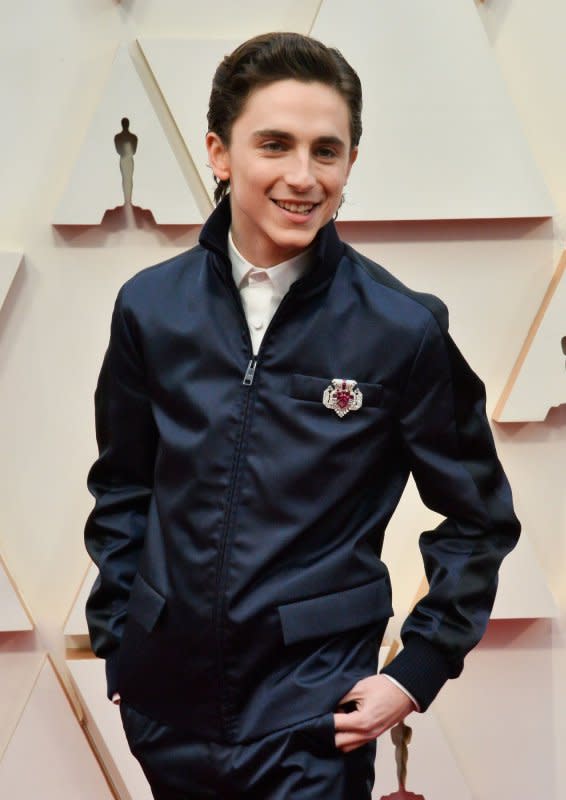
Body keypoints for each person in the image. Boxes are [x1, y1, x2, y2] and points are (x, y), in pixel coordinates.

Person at [84, 31, 520, 800]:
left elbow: (479, 521)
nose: (302, 176)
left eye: (327, 150)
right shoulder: (150, 309)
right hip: (166, 713)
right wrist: (122, 639)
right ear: (220, 154)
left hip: (311, 718)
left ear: (351, 163)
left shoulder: (402, 329)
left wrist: (417, 670)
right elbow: (124, 488)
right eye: (274, 144)